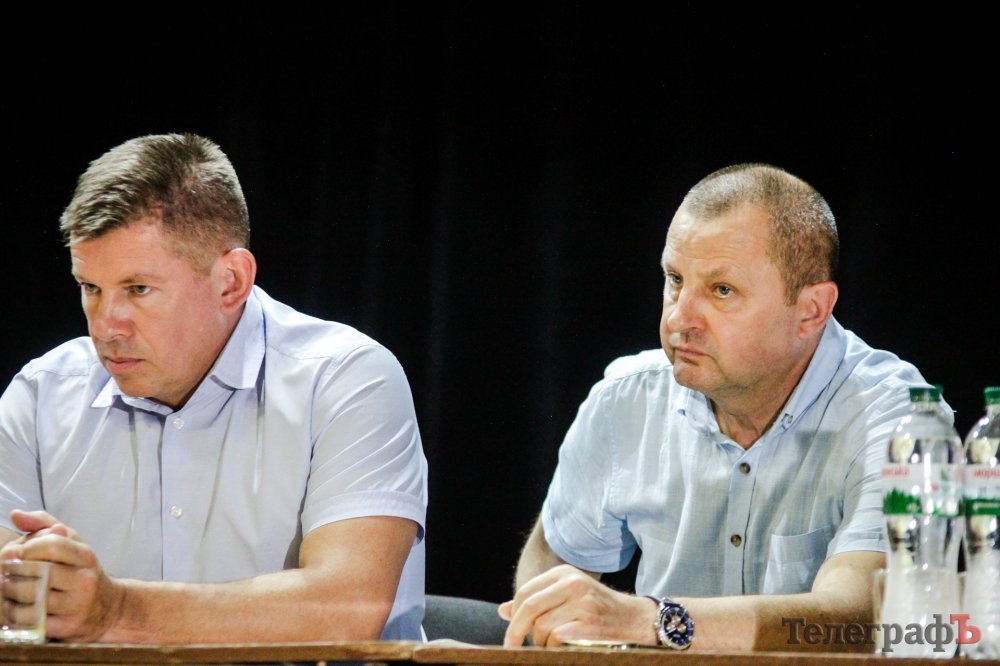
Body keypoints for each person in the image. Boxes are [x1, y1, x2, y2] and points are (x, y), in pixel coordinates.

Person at [0, 134, 427, 643]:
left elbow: (349, 608)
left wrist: (117, 612)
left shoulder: (347, 379)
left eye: (138, 289)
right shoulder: (40, 394)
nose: (106, 326)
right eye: (90, 288)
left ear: (231, 281)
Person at [499, 164, 941, 651]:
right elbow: (552, 565)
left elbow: (861, 614)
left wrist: (653, 621)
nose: (678, 318)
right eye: (675, 279)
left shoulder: (900, 417)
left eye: (721, 290)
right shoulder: (626, 399)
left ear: (811, 311)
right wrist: (554, 619)